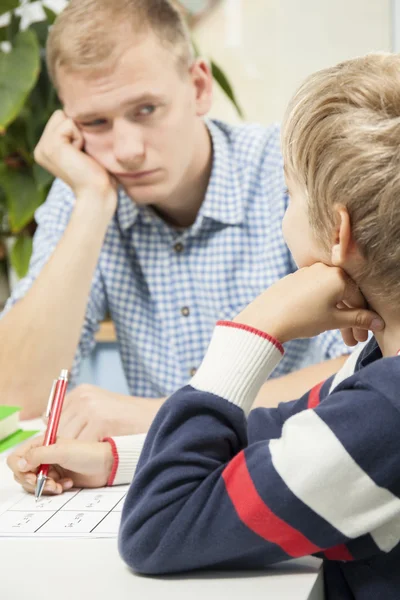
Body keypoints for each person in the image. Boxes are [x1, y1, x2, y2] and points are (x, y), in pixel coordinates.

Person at [8, 52, 400, 598]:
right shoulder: (379, 369)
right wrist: (115, 458)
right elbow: (284, 433)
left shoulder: (384, 416)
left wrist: (255, 327)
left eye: (288, 197)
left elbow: (157, 531)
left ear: (337, 235)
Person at [0, 0, 355, 440]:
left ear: (199, 86)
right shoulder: (85, 187)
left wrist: (161, 416)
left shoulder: (292, 174)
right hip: (167, 489)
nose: (126, 149)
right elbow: (12, 398)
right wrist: (91, 204)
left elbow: (364, 374)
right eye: (95, 122)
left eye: (146, 109)